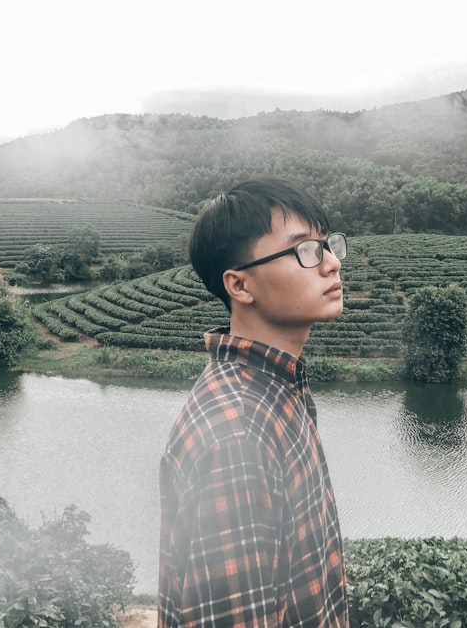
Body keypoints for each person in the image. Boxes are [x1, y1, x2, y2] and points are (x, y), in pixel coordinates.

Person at [158, 178, 350, 627]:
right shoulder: (236, 434)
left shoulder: (277, 387)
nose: (332, 263)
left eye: (328, 244)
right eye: (305, 251)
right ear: (239, 286)